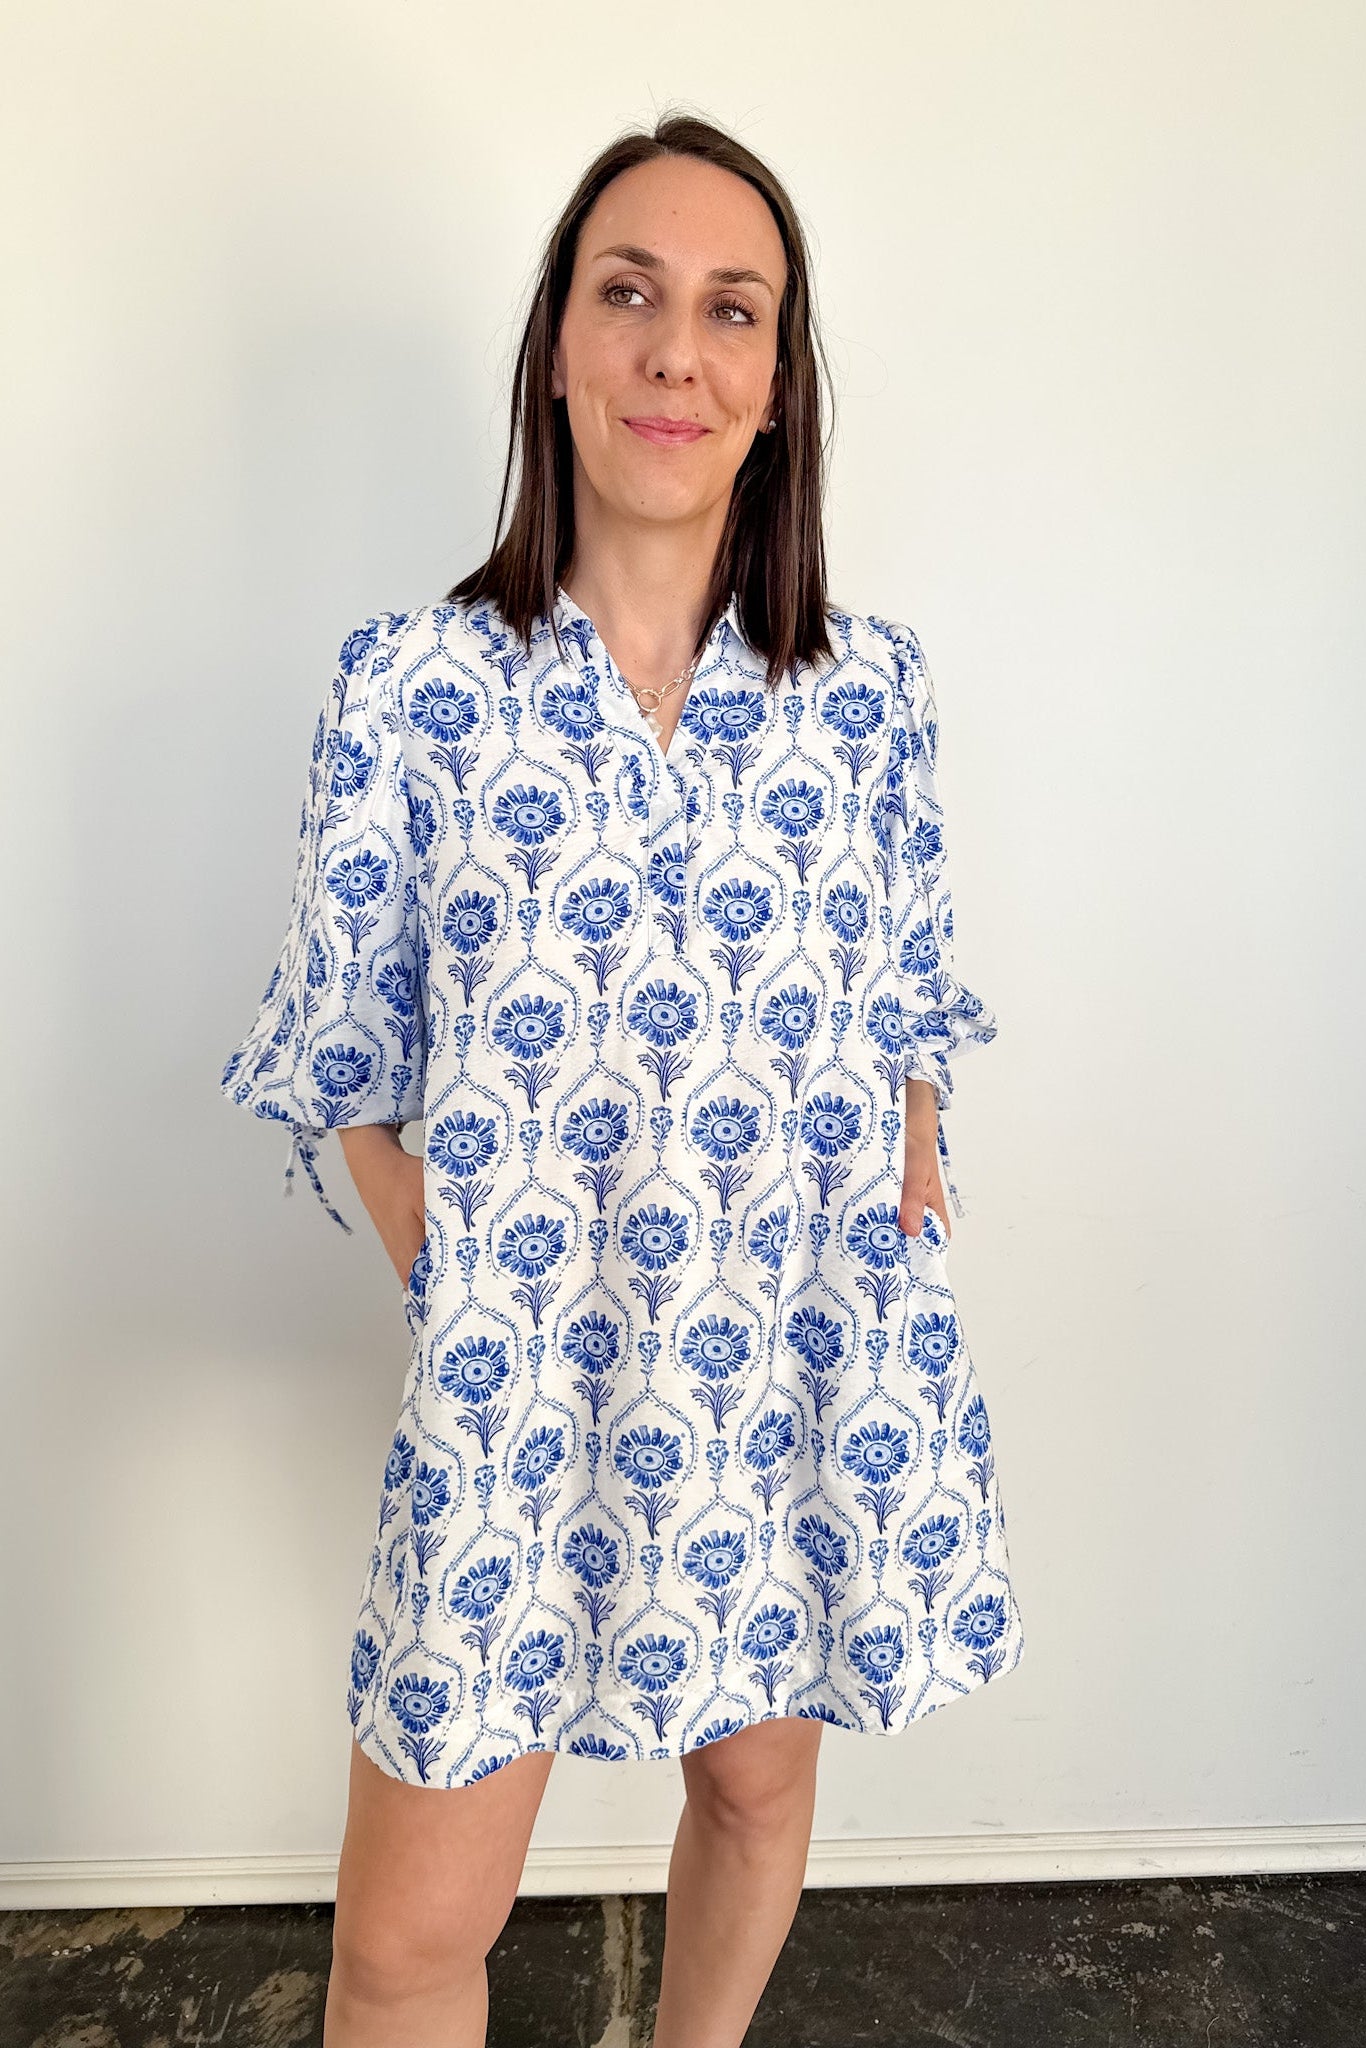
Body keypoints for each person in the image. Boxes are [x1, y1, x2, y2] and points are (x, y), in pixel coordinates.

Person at [220, 110, 1025, 2048]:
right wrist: (457, 1271)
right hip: (521, 1396)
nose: (676, 347)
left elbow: (911, 992)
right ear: (560, 348)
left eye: (728, 309)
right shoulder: (410, 686)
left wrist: (905, 1154)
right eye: (629, 293)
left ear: (774, 383)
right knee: (413, 1933)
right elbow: (340, 1053)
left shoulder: (871, 692)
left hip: (785, 1363)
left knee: (750, 1783)